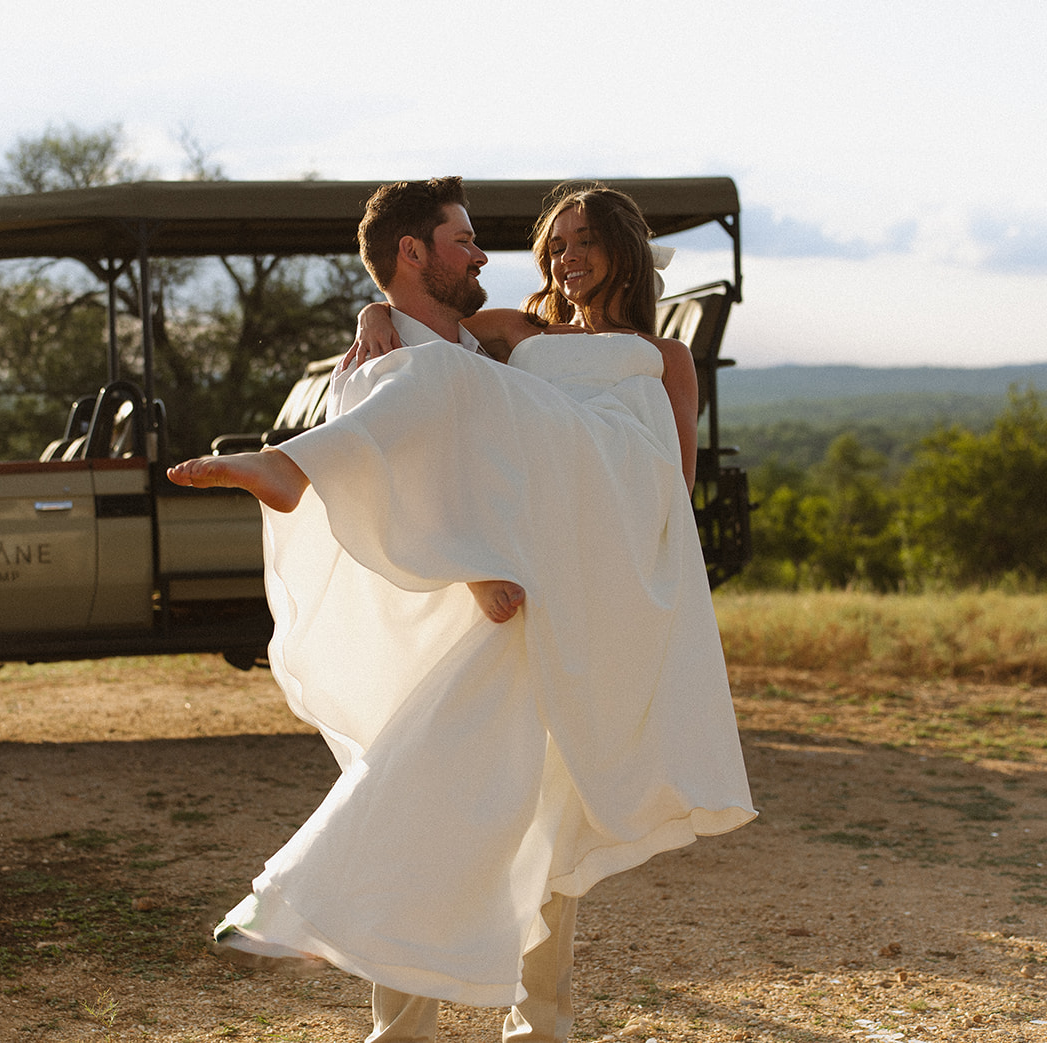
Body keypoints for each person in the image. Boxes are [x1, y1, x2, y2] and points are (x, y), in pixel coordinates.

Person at [168, 180, 755, 1043]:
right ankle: (400, 1022)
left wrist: (584, 471)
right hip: (526, 577)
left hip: (601, 558)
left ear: (625, 248)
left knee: (555, 823)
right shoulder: (518, 336)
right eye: (556, 243)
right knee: (449, 776)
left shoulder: (667, 360)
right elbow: (424, 353)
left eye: (584, 239)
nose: (565, 257)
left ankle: (540, 1024)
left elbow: (668, 485)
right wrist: (372, 311)